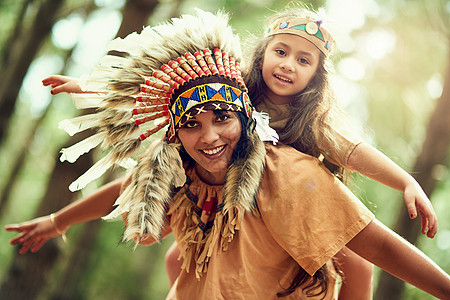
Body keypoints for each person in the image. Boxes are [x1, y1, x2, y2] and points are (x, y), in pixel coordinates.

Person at [7, 9, 445, 300]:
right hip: (227, 205)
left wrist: (406, 180)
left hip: (297, 204)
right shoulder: (231, 89)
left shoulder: (305, 132)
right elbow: (153, 90)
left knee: (355, 263)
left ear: (316, 77)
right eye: (280, 52)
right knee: (178, 257)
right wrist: (90, 87)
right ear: (260, 57)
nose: (288, 65)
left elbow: (354, 152)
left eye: (303, 60)